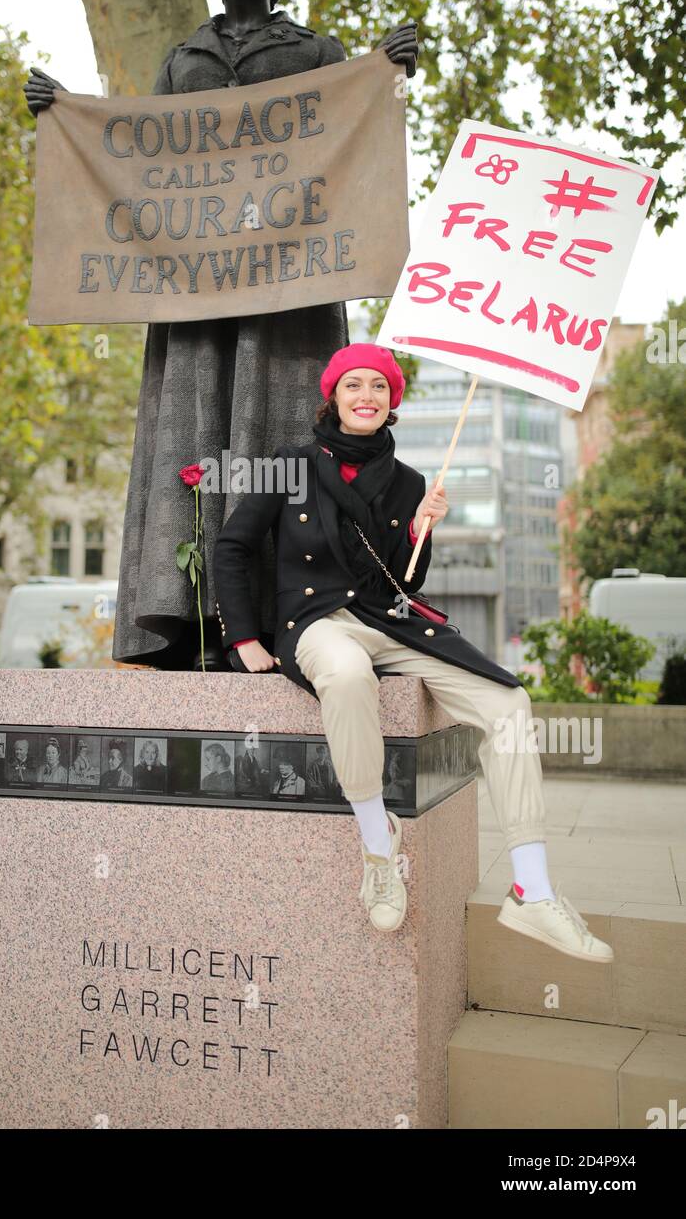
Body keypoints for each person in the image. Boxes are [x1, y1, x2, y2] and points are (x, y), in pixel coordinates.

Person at [23, 0, 418, 673]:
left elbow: (356, 138)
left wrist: (387, 73)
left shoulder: (315, 51)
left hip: (289, 294)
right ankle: (184, 617)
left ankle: (287, 614)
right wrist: (62, 112)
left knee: (279, 439)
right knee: (190, 440)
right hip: (194, 293)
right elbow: (138, 161)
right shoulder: (182, 60)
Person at [212, 342, 613, 963]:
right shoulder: (288, 464)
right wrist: (243, 638)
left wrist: (425, 528)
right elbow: (233, 547)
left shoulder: (408, 481)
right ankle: (379, 844)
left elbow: (405, 581)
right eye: (354, 386)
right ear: (334, 397)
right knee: (344, 676)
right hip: (315, 623)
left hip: (387, 623)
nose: (366, 396)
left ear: (392, 400)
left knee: (509, 700)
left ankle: (531, 889)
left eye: (379, 386)